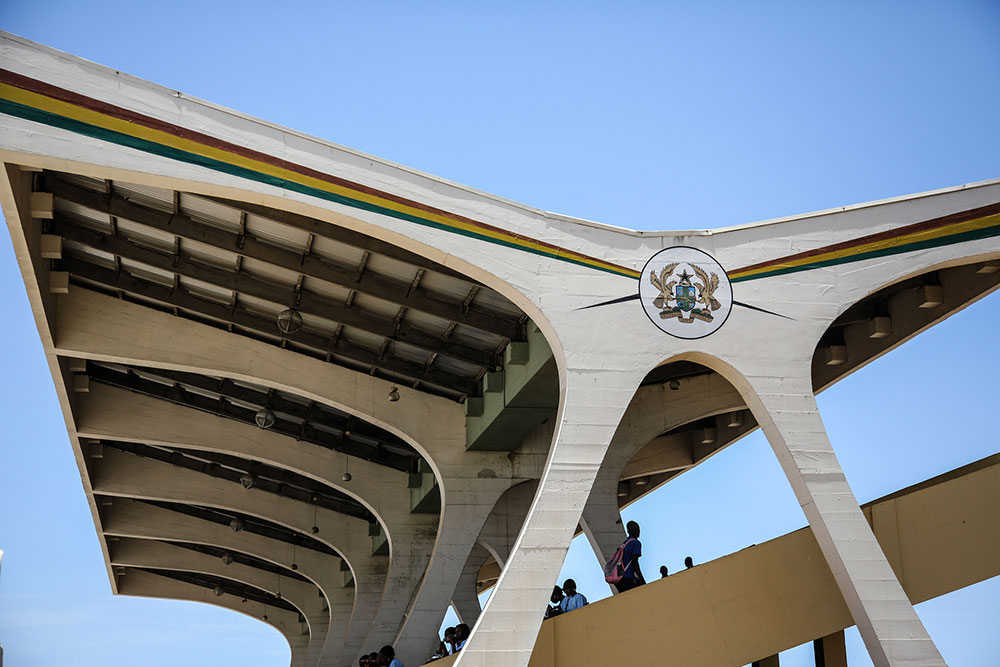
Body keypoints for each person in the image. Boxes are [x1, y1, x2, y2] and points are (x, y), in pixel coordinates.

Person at [616, 520, 645, 592]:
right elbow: (635, 562)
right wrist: (642, 580)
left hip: (619, 578)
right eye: (637, 530)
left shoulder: (624, 544)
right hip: (628, 577)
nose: (639, 532)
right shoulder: (636, 543)